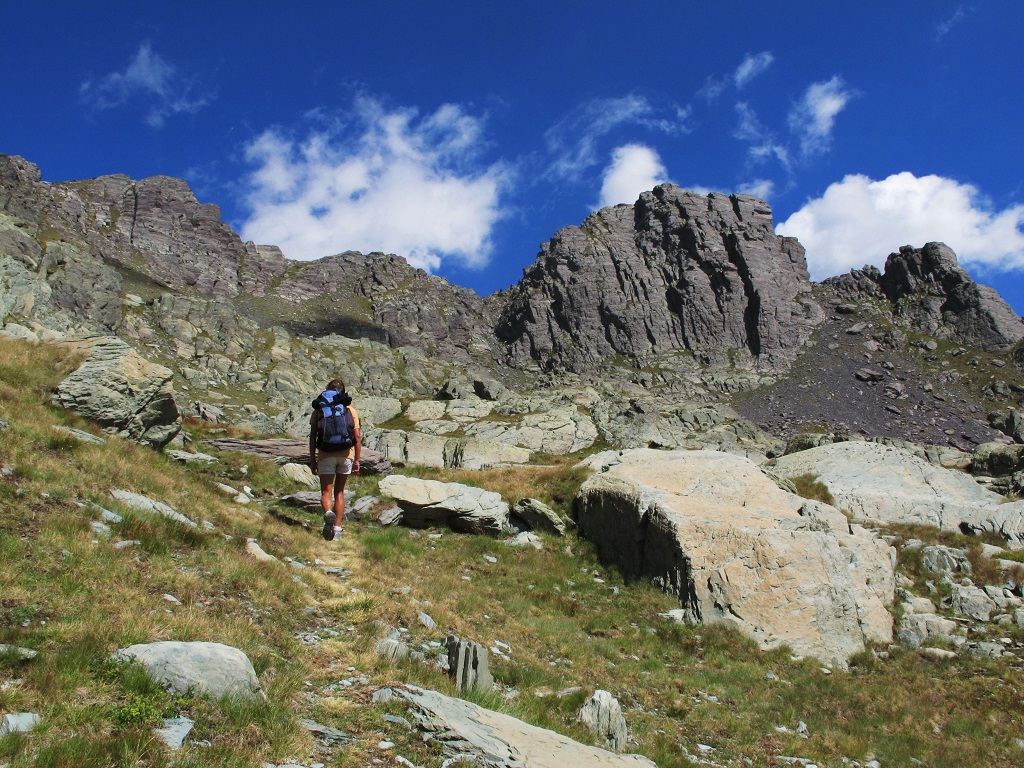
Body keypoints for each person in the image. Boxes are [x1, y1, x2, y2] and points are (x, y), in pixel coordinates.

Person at [308, 378, 361, 541]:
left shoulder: (319, 409)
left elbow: (313, 436)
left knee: (326, 491)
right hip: (346, 454)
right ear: (343, 392)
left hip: (325, 453)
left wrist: (312, 459)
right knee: (339, 492)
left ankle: (328, 513)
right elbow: (357, 437)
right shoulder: (349, 409)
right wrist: (357, 460)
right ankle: (337, 530)